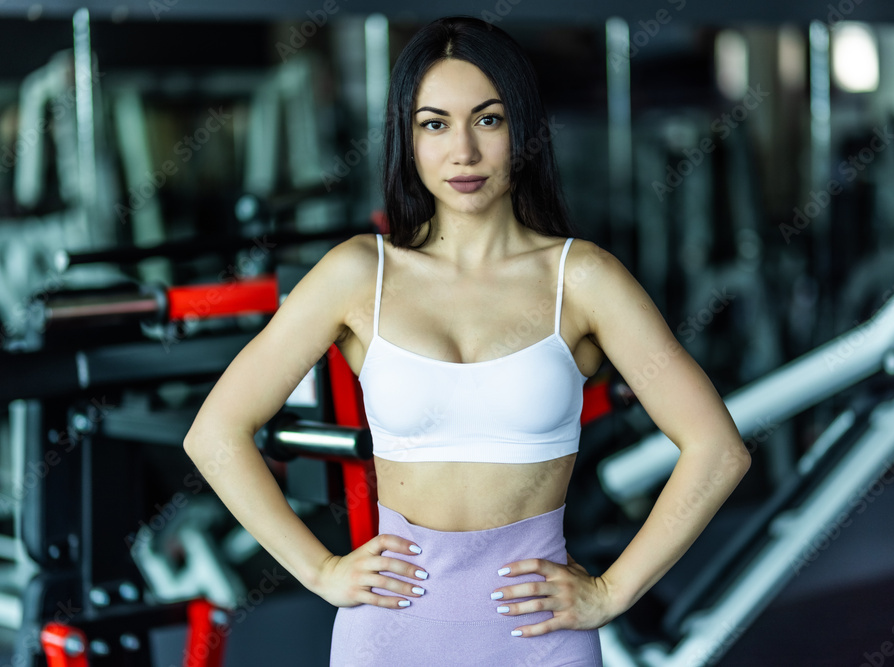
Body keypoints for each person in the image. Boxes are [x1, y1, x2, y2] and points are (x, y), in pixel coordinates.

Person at [183, 15, 751, 666]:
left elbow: (717, 450)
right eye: (434, 124)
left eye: (488, 119)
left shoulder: (584, 279)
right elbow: (216, 433)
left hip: (539, 638)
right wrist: (319, 569)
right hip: (391, 634)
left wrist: (611, 590)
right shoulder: (357, 275)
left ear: (524, 129)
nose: (463, 152)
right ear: (408, 136)